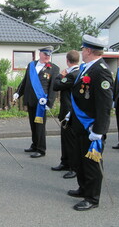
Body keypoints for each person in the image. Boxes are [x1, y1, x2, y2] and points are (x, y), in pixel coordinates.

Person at [67, 35, 113, 211]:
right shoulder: (87, 68)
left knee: (92, 163)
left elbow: (104, 104)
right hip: (80, 123)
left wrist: (99, 130)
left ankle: (92, 198)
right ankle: (83, 188)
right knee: (80, 159)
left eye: (83, 49)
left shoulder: (100, 70)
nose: (81, 52)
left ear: (88, 51)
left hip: (91, 127)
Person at [13, 46, 60, 158]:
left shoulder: (54, 68)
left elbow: (53, 88)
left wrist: (50, 103)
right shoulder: (31, 65)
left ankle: (41, 149)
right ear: (40, 54)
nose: (47, 57)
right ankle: (34, 145)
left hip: (41, 103)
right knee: (33, 124)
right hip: (30, 100)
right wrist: (18, 93)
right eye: (45, 55)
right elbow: (25, 81)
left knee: (40, 126)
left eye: (49, 55)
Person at [51, 50, 79, 179]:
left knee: (71, 141)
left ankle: (73, 167)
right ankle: (65, 162)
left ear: (67, 61)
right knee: (65, 138)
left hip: (70, 111)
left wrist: (60, 76)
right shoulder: (77, 72)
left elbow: (56, 86)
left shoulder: (72, 74)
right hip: (67, 111)